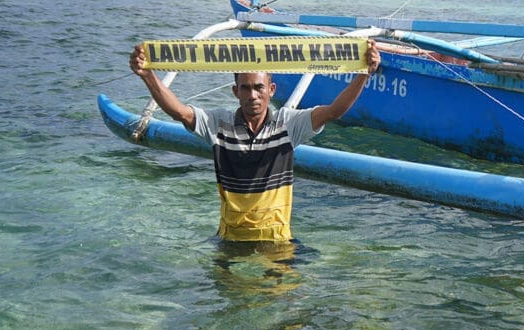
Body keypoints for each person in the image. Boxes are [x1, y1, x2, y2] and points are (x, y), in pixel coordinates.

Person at [129, 40, 380, 244]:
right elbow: (181, 113)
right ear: (235, 91)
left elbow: (334, 111)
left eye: (259, 88)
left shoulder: (288, 124)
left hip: (277, 242)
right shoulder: (219, 125)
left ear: (271, 90)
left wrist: (363, 74)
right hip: (231, 240)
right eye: (246, 88)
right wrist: (147, 75)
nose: (253, 95)